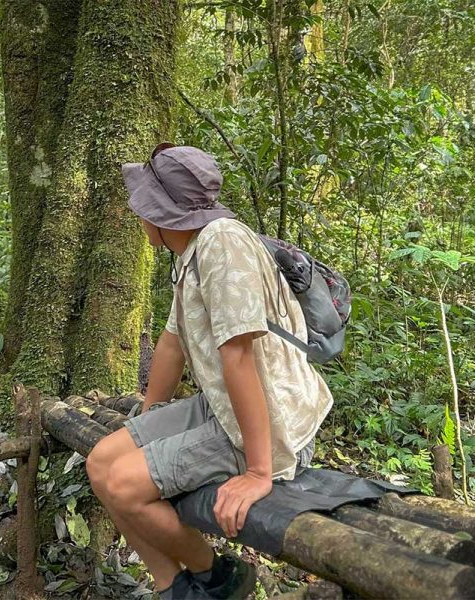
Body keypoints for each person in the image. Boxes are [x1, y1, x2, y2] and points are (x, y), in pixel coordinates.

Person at [85, 143, 333, 599]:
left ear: (162, 213)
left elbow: (237, 355)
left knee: (122, 485)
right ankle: (176, 587)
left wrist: (260, 471)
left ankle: (221, 577)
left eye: (143, 204)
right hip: (226, 408)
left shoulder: (223, 243)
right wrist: (150, 413)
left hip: (273, 424)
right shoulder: (192, 251)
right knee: (101, 461)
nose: (137, 212)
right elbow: (173, 342)